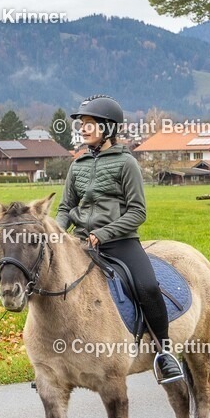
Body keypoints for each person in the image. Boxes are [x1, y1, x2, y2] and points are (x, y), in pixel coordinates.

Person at [55, 94, 184, 385]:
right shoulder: (77, 165)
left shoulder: (127, 164)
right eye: (82, 124)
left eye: (90, 124)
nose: (83, 129)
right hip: (81, 243)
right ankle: (57, 361)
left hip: (120, 242)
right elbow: (65, 208)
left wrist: (102, 234)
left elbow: (138, 212)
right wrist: (57, 235)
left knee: (148, 287)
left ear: (109, 128)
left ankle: (165, 353)